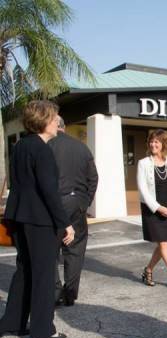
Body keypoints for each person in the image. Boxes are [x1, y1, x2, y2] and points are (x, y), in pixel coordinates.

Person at [0, 100, 74, 338]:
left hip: (20, 217)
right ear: (43, 120)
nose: (57, 123)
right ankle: (43, 329)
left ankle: (12, 323)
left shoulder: (20, 145)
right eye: (54, 118)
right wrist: (65, 223)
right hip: (40, 221)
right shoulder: (42, 150)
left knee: (24, 271)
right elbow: (48, 191)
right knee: (43, 274)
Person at [49, 115, 99, 307]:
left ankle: (54, 292)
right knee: (75, 249)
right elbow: (93, 178)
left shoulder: (46, 145)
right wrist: (85, 203)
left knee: (50, 250)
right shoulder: (82, 147)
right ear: (65, 126)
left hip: (53, 203)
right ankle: (70, 294)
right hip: (77, 203)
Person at [137, 129, 167, 291]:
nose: (153, 144)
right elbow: (143, 189)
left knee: (163, 244)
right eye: (151, 141)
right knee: (163, 244)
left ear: (163, 143)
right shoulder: (143, 163)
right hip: (152, 208)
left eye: (156, 141)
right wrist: (158, 208)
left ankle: (148, 270)